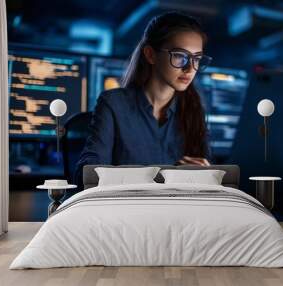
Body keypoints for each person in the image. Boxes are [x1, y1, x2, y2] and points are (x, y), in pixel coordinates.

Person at [73, 11, 213, 188]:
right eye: (179, 56)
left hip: (175, 209)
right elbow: (84, 174)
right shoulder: (114, 104)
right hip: (126, 209)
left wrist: (207, 175)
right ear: (150, 55)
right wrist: (166, 178)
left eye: (197, 59)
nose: (190, 68)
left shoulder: (194, 109)